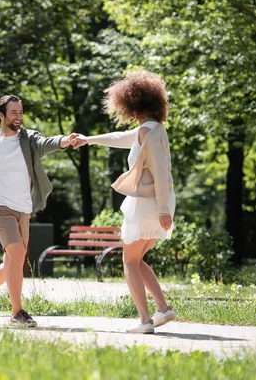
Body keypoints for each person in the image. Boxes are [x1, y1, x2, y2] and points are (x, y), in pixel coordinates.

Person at [0, 95, 77, 327]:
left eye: (21, 112)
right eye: (14, 113)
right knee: (17, 252)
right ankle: (17, 312)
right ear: (1, 115)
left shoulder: (27, 139)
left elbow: (46, 143)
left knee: (14, 260)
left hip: (23, 208)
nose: (18, 117)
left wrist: (65, 140)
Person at [71, 71, 176, 334]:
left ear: (132, 104)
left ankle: (144, 321)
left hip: (147, 204)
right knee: (137, 259)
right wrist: (89, 140)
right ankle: (162, 309)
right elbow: (122, 139)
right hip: (154, 203)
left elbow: (161, 172)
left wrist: (163, 210)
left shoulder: (148, 133)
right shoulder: (151, 129)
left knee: (129, 262)